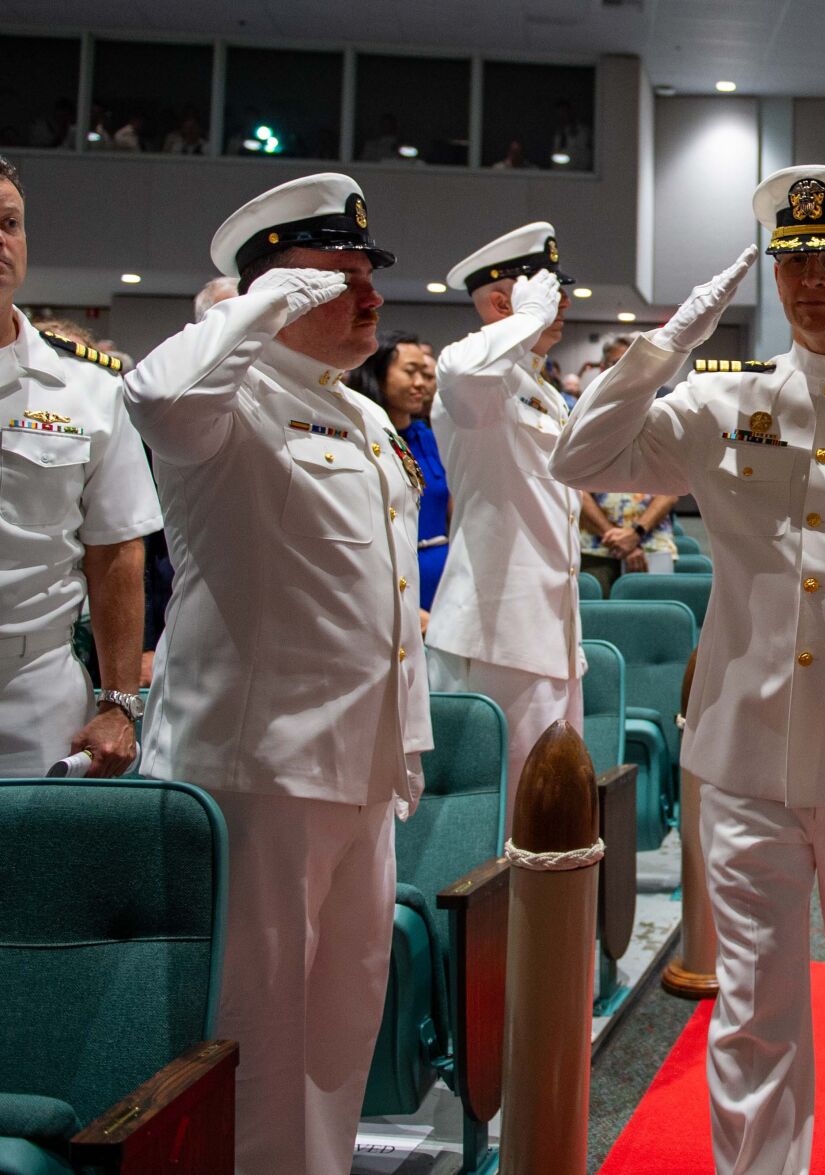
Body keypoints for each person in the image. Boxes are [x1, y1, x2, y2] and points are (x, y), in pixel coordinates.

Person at [550, 164, 825, 1175]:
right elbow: (581, 457)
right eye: (794, 264)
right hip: (744, 749)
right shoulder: (717, 406)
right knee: (751, 998)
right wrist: (662, 347)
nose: (812, 283)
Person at [122, 172, 430, 1174]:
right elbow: (157, 392)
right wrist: (256, 299)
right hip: (260, 776)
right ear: (275, 291)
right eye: (338, 277)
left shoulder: (365, 419)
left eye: (369, 273)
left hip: (364, 771)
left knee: (340, 1032)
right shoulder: (228, 409)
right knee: (254, 1040)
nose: (371, 296)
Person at [0, 155, 160, 779]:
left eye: (10, 223)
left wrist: (118, 702)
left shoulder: (87, 388)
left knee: (34, 872)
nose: (1, 240)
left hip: (31, 687)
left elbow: (117, 551)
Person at [427, 222, 582, 814]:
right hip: (497, 637)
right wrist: (525, 320)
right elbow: (464, 370)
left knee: (550, 817)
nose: (561, 303)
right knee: (499, 820)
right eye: (547, 292)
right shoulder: (475, 386)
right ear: (501, 302)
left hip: (551, 633)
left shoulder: (538, 390)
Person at [354, 331, 449, 613]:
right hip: (389, 586)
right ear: (379, 373)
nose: (421, 384)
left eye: (425, 373)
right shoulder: (361, 438)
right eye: (410, 372)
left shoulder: (429, 437)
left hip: (442, 584)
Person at [579, 490, 680, 590]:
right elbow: (577, 491)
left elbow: (671, 492)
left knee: (655, 604)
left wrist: (637, 533)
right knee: (595, 604)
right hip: (596, 549)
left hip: (653, 548)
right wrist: (617, 539)